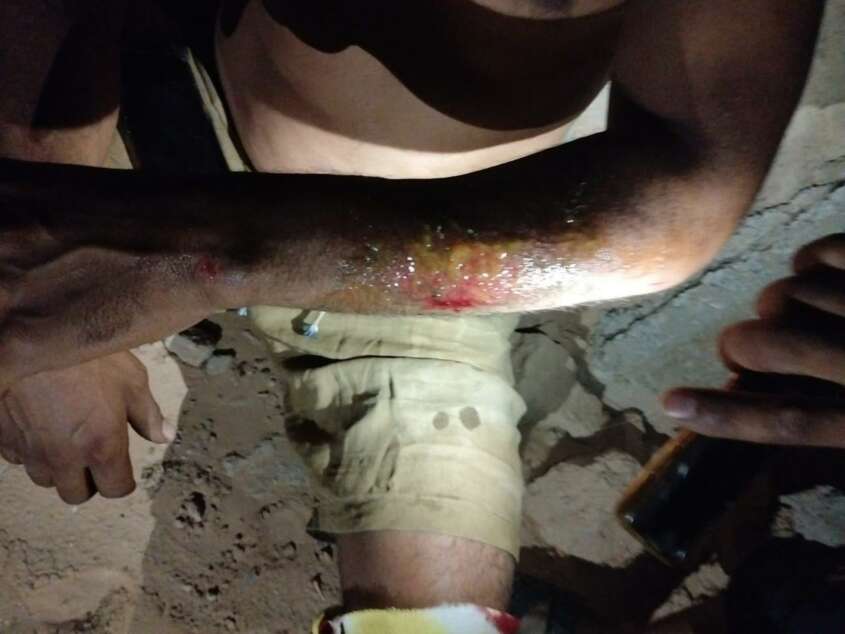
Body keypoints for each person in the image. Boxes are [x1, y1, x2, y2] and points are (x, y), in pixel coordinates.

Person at [0, 0, 826, 627]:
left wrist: (198, 258)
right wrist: (51, 184)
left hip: (409, 277)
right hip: (146, 76)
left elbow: (681, 192)